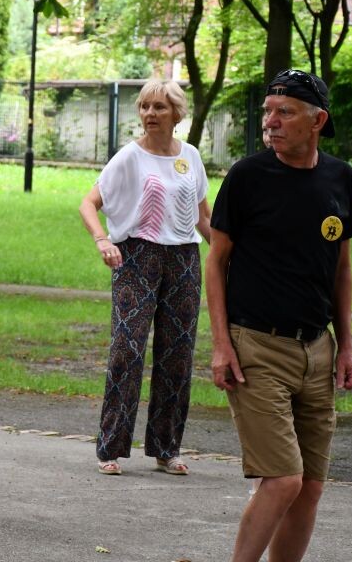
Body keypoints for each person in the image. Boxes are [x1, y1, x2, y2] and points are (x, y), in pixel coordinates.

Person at [207, 69, 352, 562]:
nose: (269, 122)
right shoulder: (248, 176)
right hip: (257, 346)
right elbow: (216, 261)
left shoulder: (340, 178)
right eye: (267, 112)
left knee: (310, 487)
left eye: (284, 113)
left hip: (318, 350)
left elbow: (340, 268)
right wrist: (221, 345)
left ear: (318, 120)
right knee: (282, 481)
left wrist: (347, 347)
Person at [79, 79, 211, 476]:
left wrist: (227, 255)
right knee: (128, 350)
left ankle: (166, 448)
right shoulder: (129, 157)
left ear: (176, 113)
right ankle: (111, 448)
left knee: (178, 353)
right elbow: (89, 203)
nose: (150, 114)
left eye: (159, 107)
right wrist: (103, 240)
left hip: (185, 259)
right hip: (137, 256)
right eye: (145, 107)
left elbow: (205, 218)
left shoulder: (190, 156)